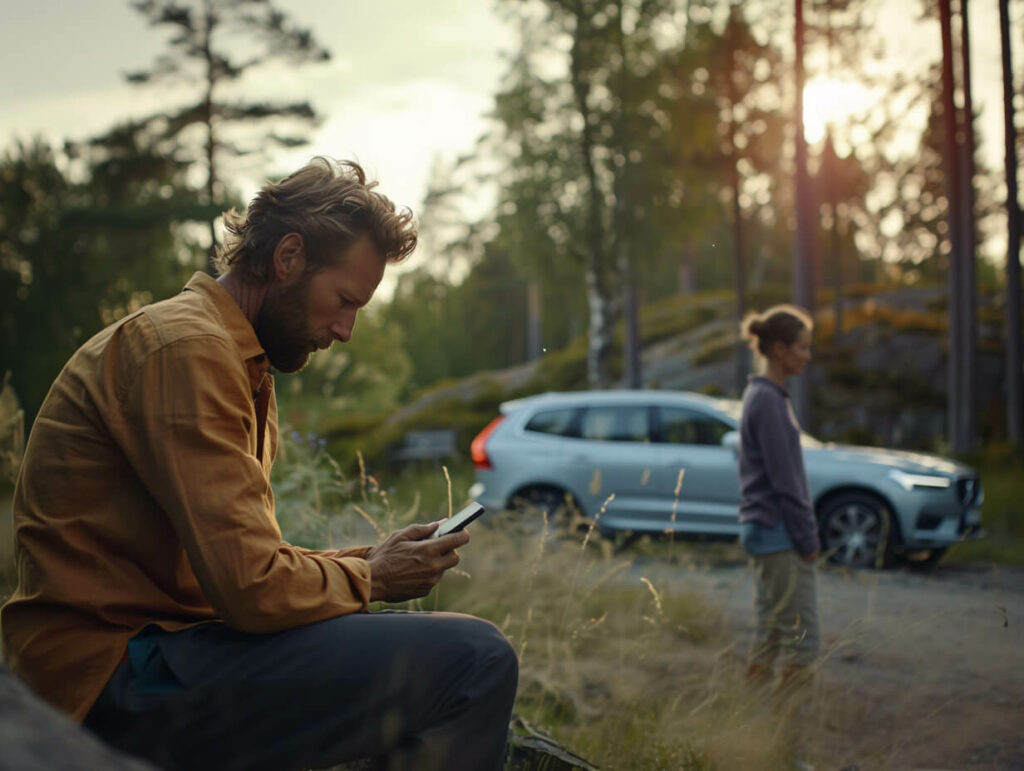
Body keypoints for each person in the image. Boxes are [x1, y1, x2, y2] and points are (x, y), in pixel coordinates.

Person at [0, 158, 518, 771]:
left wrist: (367, 560)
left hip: (161, 655)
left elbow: (238, 567)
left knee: (447, 662)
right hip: (117, 677)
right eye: (344, 300)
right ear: (289, 257)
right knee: (475, 659)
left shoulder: (233, 360)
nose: (347, 330)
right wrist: (374, 579)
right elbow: (249, 589)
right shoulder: (188, 350)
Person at [737, 305, 820, 689]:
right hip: (777, 532)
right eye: (801, 347)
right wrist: (808, 539)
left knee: (769, 634)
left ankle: (752, 730)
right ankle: (788, 740)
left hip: (767, 530)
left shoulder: (764, 395)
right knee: (803, 644)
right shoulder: (767, 400)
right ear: (780, 348)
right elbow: (785, 481)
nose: (807, 355)